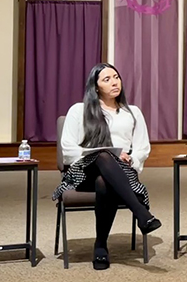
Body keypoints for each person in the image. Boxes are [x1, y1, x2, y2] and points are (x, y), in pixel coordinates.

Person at [54, 63, 160, 270]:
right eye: (107, 79)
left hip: (122, 173)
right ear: (95, 87)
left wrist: (131, 160)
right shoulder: (78, 110)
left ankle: (100, 246)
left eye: (116, 77)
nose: (114, 82)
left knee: (104, 182)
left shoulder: (133, 112)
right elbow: (67, 149)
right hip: (84, 172)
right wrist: (105, 154)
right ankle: (141, 213)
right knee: (102, 155)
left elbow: (142, 148)